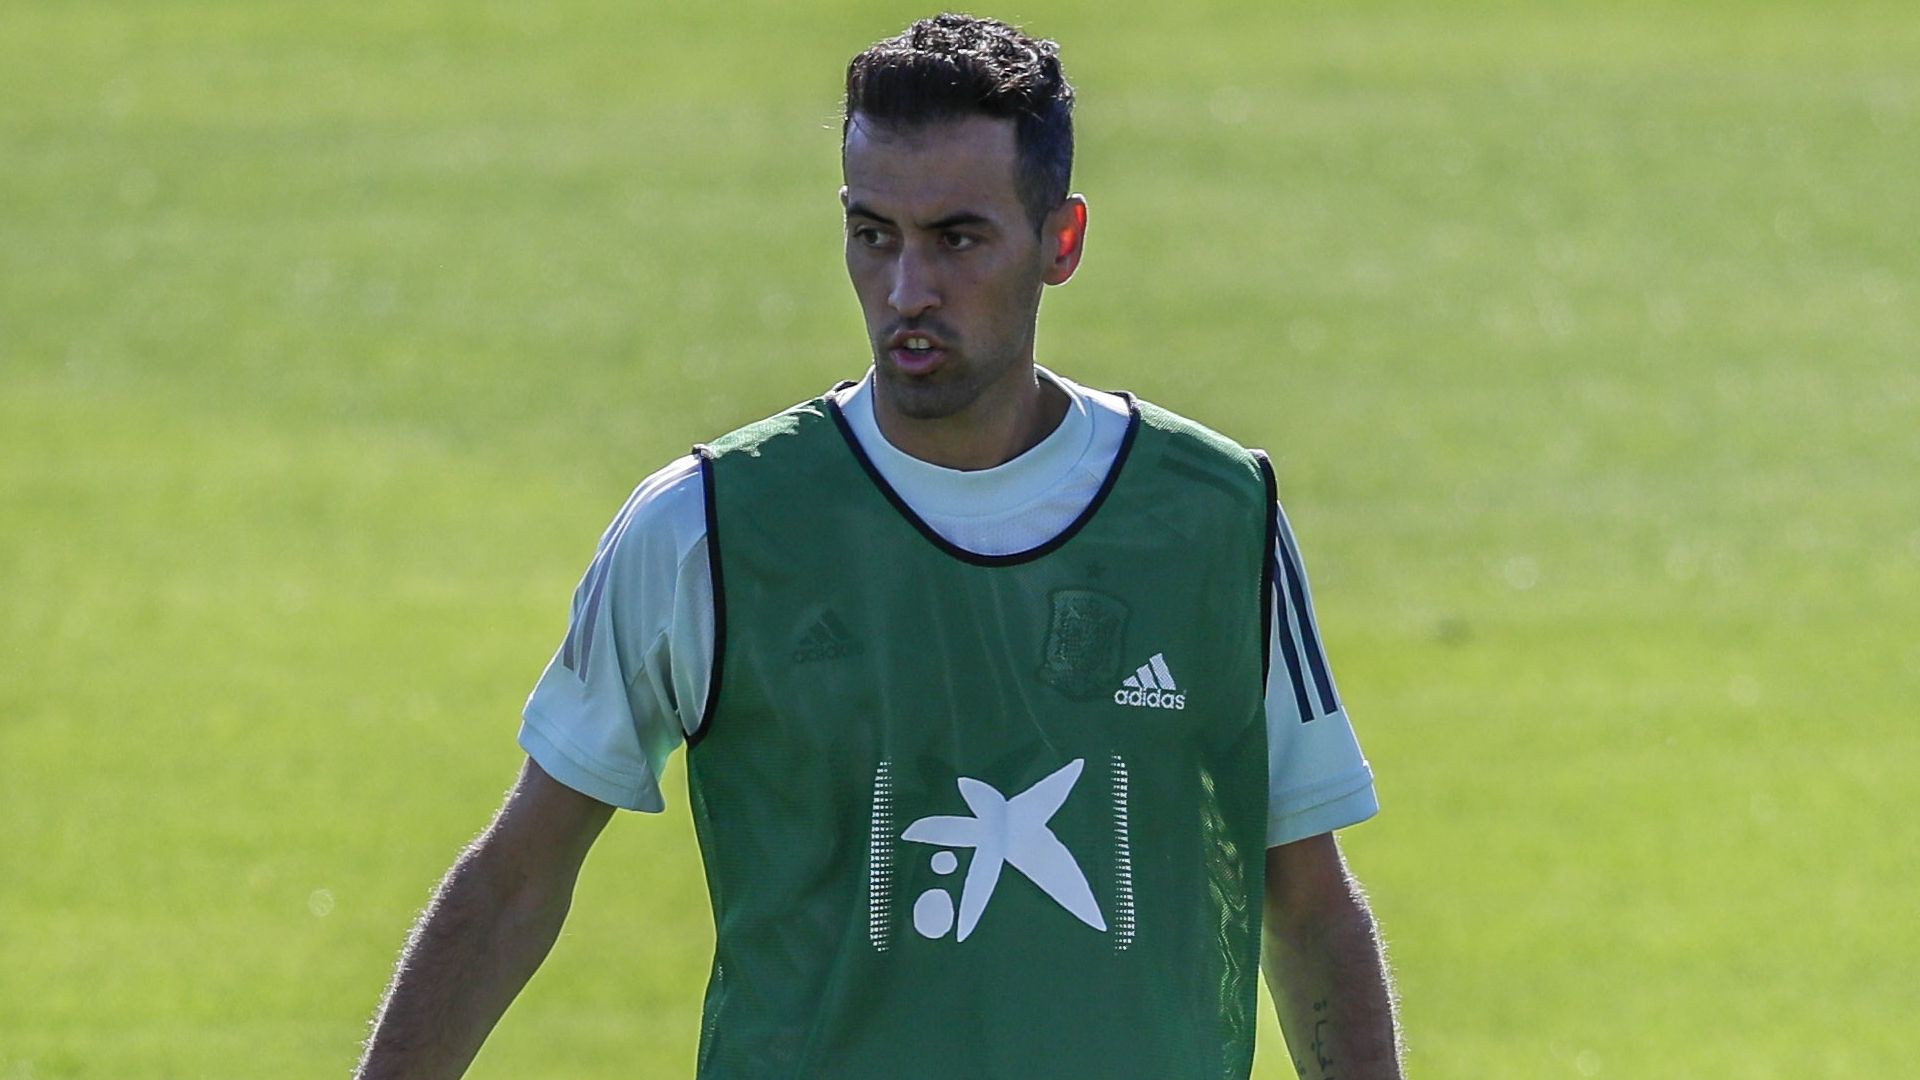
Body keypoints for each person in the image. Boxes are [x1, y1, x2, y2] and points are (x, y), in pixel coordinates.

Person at [357, 13, 1403, 1080]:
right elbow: (512, 886)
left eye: (956, 239)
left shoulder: (1214, 521)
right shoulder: (706, 528)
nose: (907, 292)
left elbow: (1309, 909)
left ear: (1062, 241)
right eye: (873, 235)